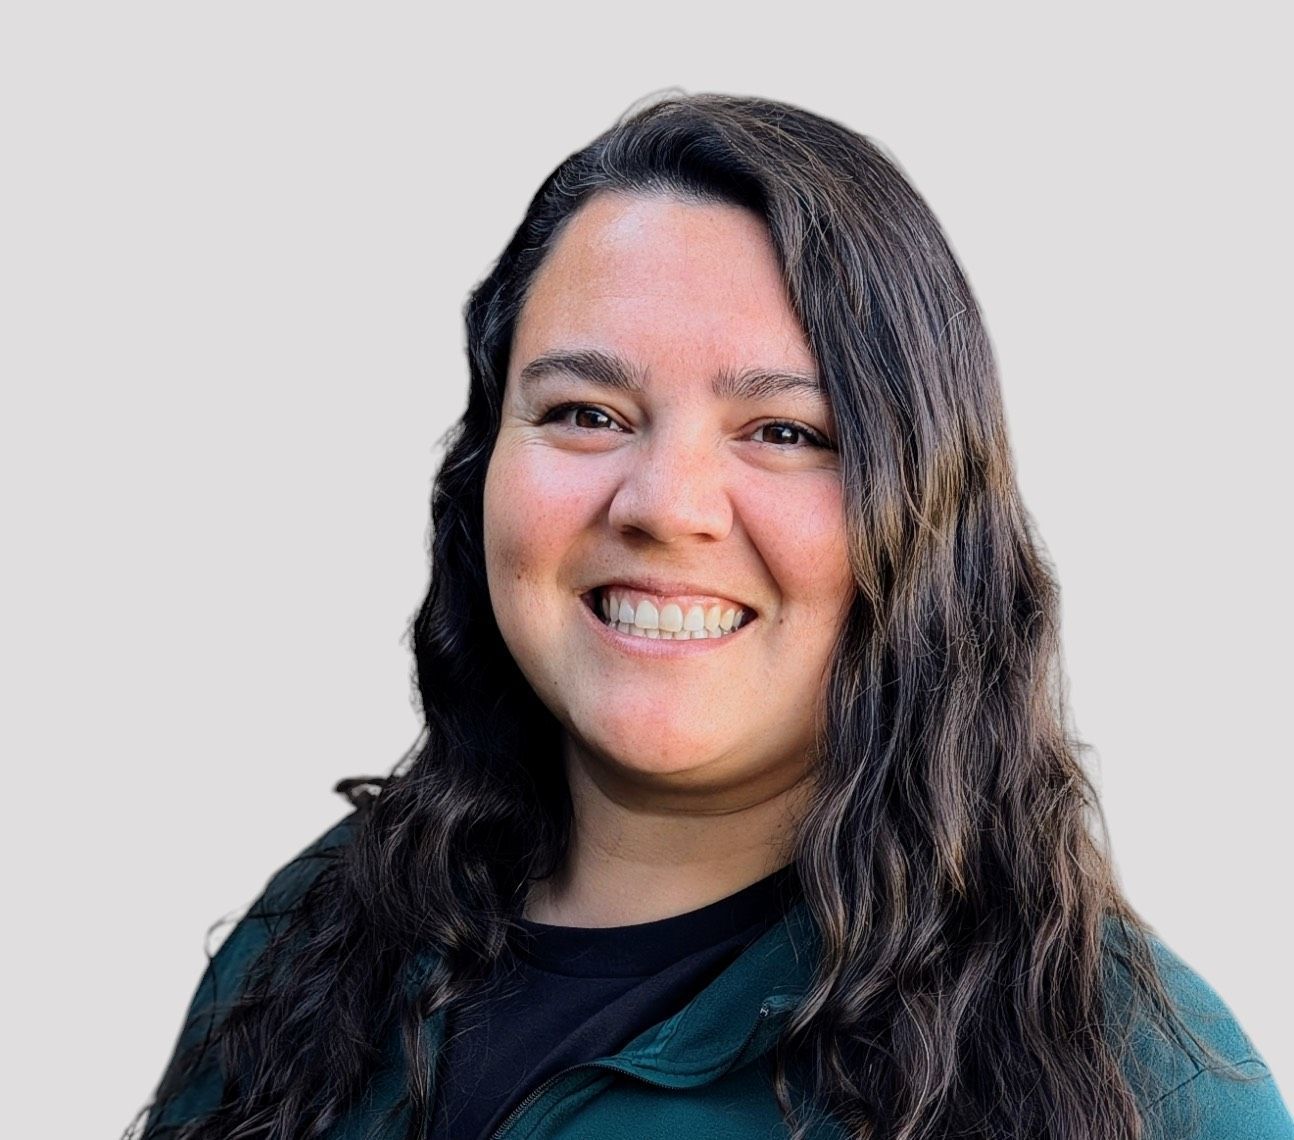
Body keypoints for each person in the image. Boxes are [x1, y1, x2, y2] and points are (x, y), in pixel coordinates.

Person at [129, 92, 1294, 1140]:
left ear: (928, 514)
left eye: (785, 433)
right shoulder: (319, 932)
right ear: (482, 467)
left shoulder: (1136, 1087)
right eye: (586, 412)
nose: (665, 506)